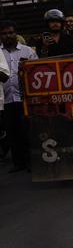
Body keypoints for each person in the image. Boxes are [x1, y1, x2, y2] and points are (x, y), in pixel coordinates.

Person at [1, 20, 38, 172]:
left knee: (27, 130)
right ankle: (18, 163)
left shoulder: (27, 51)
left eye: (11, 32)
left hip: (24, 98)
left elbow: (36, 71)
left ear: (16, 33)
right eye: (4, 33)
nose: (8, 36)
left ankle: (32, 162)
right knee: (12, 132)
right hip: (6, 99)